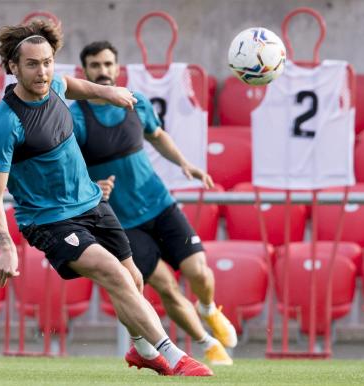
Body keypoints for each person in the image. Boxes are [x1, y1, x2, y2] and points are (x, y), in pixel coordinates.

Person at [0, 20, 212, 377]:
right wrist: (5, 246)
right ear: (13, 68)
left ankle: (142, 350)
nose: (42, 71)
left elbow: (77, 86)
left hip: (92, 203)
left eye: (47, 62)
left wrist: (110, 93)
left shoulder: (56, 85)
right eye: (32, 64)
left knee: (133, 278)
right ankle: (176, 357)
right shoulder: (5, 121)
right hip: (48, 220)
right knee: (114, 274)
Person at [70, 41, 239, 367]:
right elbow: (68, 167)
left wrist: (184, 164)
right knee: (166, 286)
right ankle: (207, 345)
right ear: (85, 72)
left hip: (159, 204)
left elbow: (157, 135)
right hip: (122, 222)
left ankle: (208, 309)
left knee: (199, 273)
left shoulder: (136, 103)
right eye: (95, 66)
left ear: (117, 68)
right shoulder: (76, 118)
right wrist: (92, 187)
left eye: (108, 64)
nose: (102, 71)